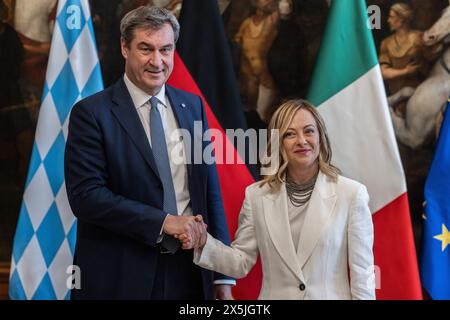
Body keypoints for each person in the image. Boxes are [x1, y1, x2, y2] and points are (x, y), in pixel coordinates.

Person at [64, 6, 234, 300]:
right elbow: (86, 197)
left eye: (165, 49)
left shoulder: (192, 106)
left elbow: (209, 192)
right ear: (124, 48)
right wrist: (163, 222)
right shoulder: (91, 113)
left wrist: (222, 275)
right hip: (122, 273)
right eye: (146, 48)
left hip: (190, 271)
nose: (157, 61)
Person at [179, 99, 376, 299]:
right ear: (277, 142)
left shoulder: (351, 194)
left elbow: (363, 274)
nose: (302, 140)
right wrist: (204, 242)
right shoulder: (256, 196)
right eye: (290, 134)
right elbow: (240, 262)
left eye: (309, 131)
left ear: (321, 137)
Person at [379, 3, 426, 117]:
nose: (388, 20)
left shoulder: (419, 38)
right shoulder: (386, 43)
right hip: (395, 97)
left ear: (401, 19)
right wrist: (406, 71)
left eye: (391, 17)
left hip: (418, 97)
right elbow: (383, 73)